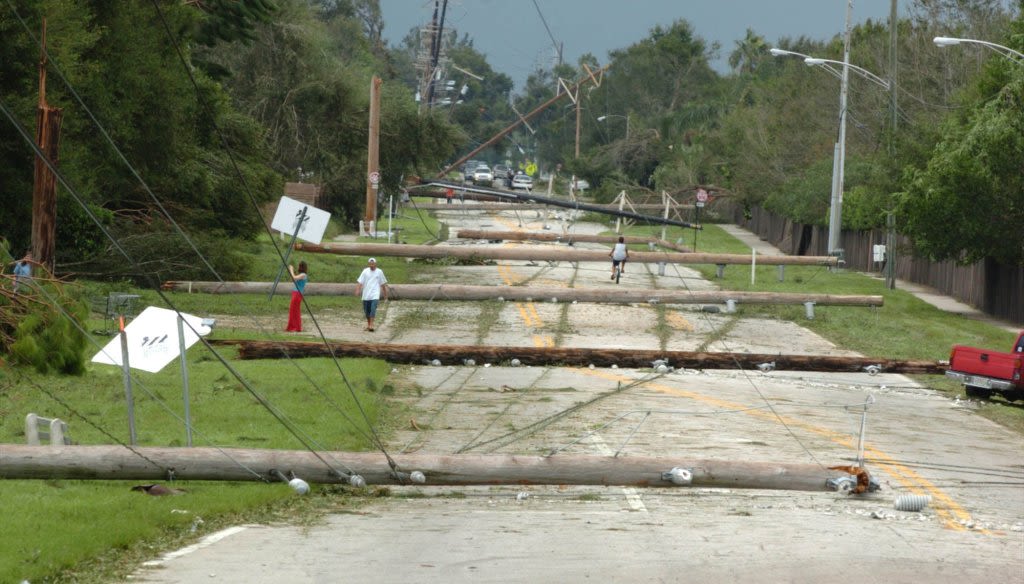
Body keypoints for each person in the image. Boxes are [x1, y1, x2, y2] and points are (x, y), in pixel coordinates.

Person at [355, 257, 388, 332]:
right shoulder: (365, 271)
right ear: (368, 264)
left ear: (375, 264)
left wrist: (385, 295)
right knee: (367, 311)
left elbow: (383, 284)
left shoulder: (379, 272)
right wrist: (358, 290)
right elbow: (360, 282)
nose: (371, 265)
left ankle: (371, 325)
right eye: (370, 264)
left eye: (373, 264)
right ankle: (369, 324)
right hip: (366, 294)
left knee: (373, 309)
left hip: (375, 294)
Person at [286, 261, 308, 332]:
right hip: (295, 293)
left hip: (297, 294)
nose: (298, 267)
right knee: (292, 311)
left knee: (295, 311)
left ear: (302, 267)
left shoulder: (303, 275)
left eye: (299, 266)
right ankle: (292, 327)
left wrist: (291, 270)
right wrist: (291, 271)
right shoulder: (300, 275)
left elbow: (294, 277)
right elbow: (293, 279)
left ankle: (296, 327)